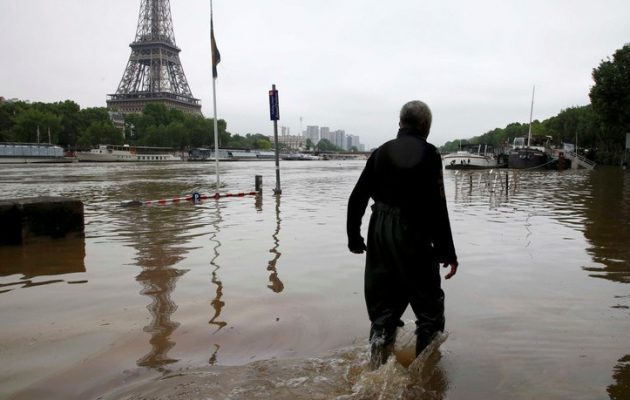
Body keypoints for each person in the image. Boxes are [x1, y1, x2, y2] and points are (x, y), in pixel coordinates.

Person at [346, 100, 458, 368]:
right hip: (413, 232)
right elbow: (437, 206)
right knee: (429, 311)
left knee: (383, 311)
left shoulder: (380, 153)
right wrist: (447, 252)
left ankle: (374, 371)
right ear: (425, 125)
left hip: (379, 231)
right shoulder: (430, 153)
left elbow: (357, 198)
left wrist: (354, 237)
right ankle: (424, 378)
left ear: (400, 123)